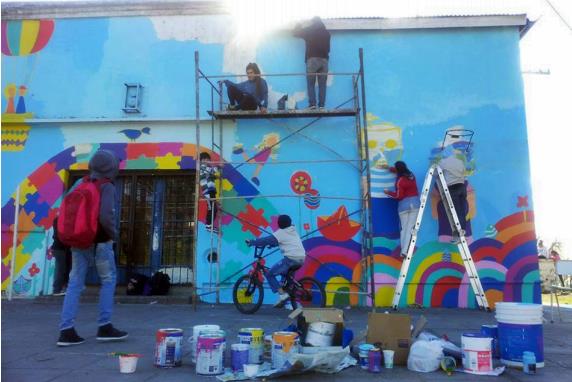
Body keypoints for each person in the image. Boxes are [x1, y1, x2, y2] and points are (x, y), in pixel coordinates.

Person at [57, 149, 127, 346]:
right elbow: (106, 216)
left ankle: (66, 330)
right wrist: (114, 235)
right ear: (111, 167)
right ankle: (104, 326)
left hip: (79, 240)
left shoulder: (81, 182)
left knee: (75, 283)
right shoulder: (107, 186)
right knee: (108, 280)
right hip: (101, 242)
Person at [246, 215, 306, 307]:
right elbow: (284, 241)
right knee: (284, 275)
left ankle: (282, 295)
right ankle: (286, 295)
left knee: (270, 274)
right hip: (301, 258)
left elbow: (266, 240)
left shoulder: (281, 232)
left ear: (280, 224)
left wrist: (252, 242)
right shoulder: (292, 230)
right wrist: (273, 245)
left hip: (291, 259)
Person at [383, 161, 420, 257]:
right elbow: (400, 170)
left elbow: (399, 196)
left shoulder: (400, 181)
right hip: (415, 204)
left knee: (404, 229)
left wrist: (388, 192)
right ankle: (405, 250)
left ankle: (404, 251)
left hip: (404, 206)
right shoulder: (411, 175)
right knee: (410, 228)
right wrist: (389, 168)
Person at [293, 16, 331, 109]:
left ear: (312, 22)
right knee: (322, 85)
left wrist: (299, 23)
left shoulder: (309, 30)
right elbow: (328, 49)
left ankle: (312, 104)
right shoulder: (327, 33)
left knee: (311, 83)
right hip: (324, 60)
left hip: (312, 59)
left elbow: (295, 33)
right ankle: (321, 105)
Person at [438, 149, 467, 242]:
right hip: (462, 187)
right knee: (461, 211)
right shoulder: (460, 162)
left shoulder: (443, 162)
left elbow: (435, 173)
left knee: (455, 212)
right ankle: (461, 232)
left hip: (452, 188)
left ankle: (458, 235)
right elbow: (464, 173)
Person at [51, 217, 71, 296]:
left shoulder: (57, 219)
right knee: (61, 268)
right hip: (61, 247)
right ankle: (57, 289)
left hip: (59, 247)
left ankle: (59, 288)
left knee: (62, 268)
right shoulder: (60, 219)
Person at [199, 152, 219, 232]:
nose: (207, 161)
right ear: (202, 160)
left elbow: (210, 175)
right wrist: (219, 166)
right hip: (208, 191)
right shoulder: (202, 167)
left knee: (213, 208)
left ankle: (209, 226)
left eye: (208, 159)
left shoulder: (206, 169)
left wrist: (215, 177)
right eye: (205, 159)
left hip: (211, 190)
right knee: (212, 208)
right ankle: (208, 226)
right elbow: (212, 170)